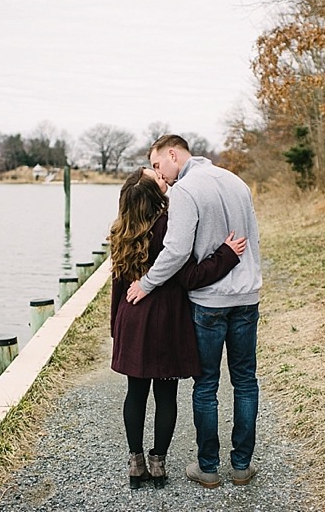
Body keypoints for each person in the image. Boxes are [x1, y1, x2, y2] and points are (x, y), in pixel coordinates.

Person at [125, 134, 262, 488]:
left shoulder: (185, 191)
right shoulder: (236, 181)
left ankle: (209, 468)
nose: (161, 175)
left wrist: (147, 283)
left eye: (158, 165)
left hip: (210, 301)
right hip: (247, 297)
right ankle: (242, 466)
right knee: (245, 382)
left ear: (173, 154)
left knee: (207, 386)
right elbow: (252, 238)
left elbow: (175, 252)